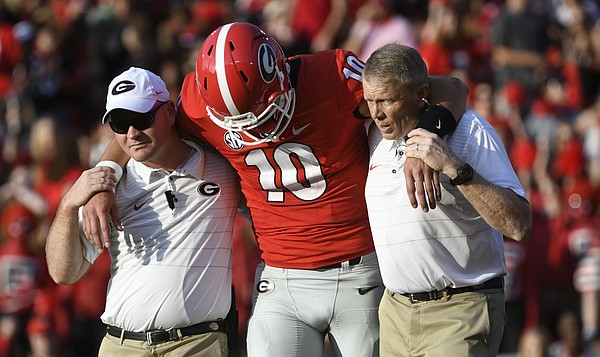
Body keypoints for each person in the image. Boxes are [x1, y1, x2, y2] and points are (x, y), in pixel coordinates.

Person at [82, 22, 468, 357]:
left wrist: (424, 137)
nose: (253, 132)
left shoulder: (331, 77)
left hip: (358, 271)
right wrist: (105, 175)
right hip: (280, 277)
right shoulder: (199, 103)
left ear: (281, 77)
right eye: (238, 123)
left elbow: (447, 87)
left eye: (259, 116)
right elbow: (135, 128)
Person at [44, 67, 240, 357]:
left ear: (170, 112)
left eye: (142, 119)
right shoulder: (109, 187)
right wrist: (68, 205)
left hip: (197, 345)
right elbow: (63, 272)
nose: (132, 133)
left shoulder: (223, 169)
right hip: (120, 345)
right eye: (120, 124)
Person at [362, 43, 532, 356]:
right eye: (370, 101)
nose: (377, 113)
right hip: (395, 313)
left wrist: (454, 166)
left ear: (421, 93)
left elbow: (519, 224)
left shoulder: (470, 130)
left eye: (387, 100)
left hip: (460, 308)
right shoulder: (373, 135)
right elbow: (452, 85)